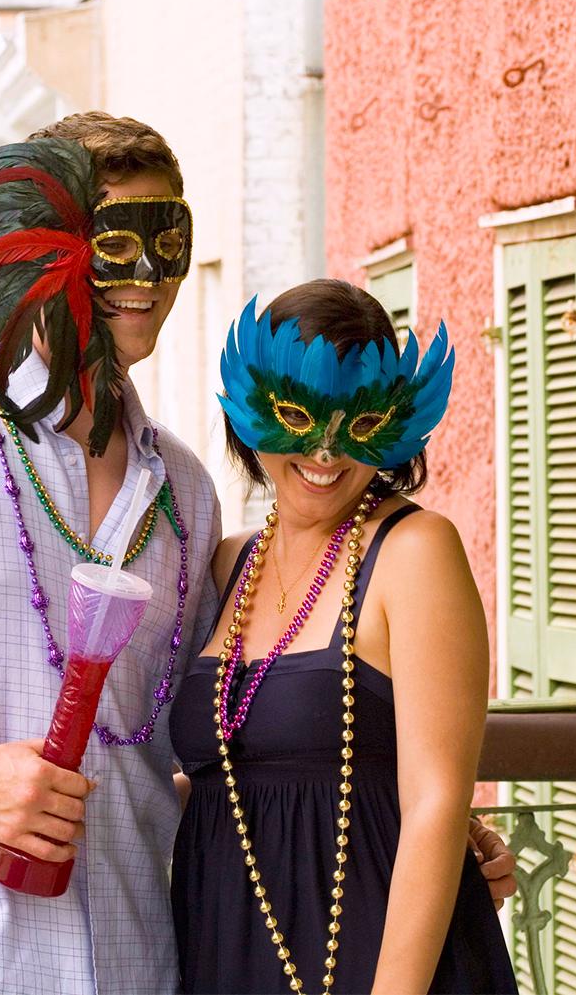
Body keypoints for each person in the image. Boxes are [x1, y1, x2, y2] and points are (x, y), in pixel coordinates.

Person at [0, 113, 515, 995]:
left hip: (141, 960)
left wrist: (400, 818)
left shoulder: (184, 492)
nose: (146, 276)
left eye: (166, 243)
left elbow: (203, 738)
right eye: (114, 244)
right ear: (42, 244)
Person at [169, 281, 518, 994]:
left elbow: (434, 801)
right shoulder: (223, 563)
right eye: (297, 414)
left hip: (375, 959)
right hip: (227, 945)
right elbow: (221, 778)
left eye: (357, 424)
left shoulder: (415, 549)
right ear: (249, 410)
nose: (323, 450)